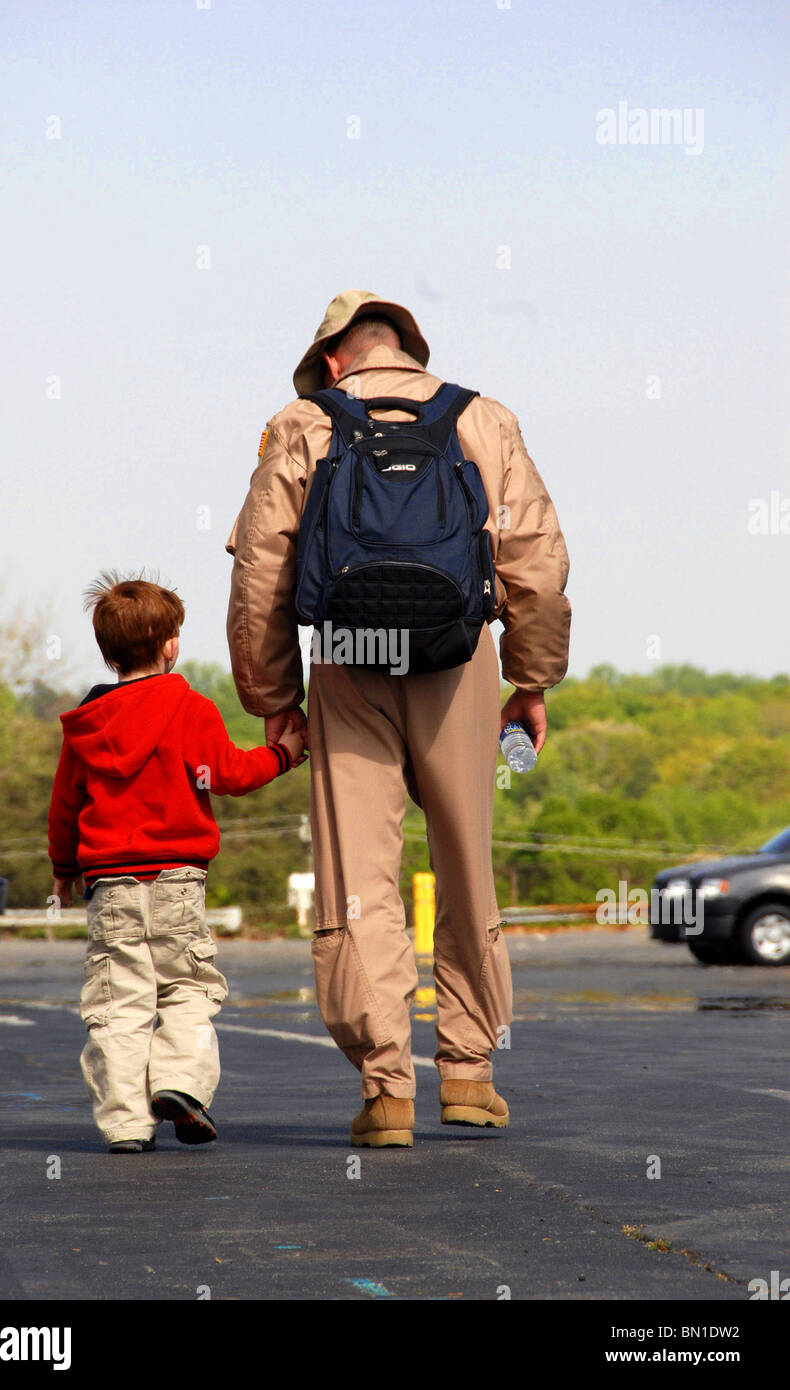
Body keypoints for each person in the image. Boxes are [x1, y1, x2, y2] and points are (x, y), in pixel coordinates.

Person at [226, 290, 571, 1147]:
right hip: (459, 664)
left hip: (350, 660)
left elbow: (261, 575)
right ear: (409, 348)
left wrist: (276, 703)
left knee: (360, 877)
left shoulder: (302, 424)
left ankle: (388, 1091)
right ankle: (467, 1074)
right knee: (464, 863)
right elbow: (534, 560)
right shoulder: (485, 418)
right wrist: (529, 680)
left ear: (334, 358)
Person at [48, 573, 306, 1154]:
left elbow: (65, 805)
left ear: (108, 653)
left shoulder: (86, 726)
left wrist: (64, 870)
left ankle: (125, 1125)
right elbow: (233, 774)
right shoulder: (190, 709)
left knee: (119, 1005)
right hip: (177, 882)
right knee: (187, 989)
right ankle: (178, 1084)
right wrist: (286, 753)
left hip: (109, 885)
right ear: (171, 645)